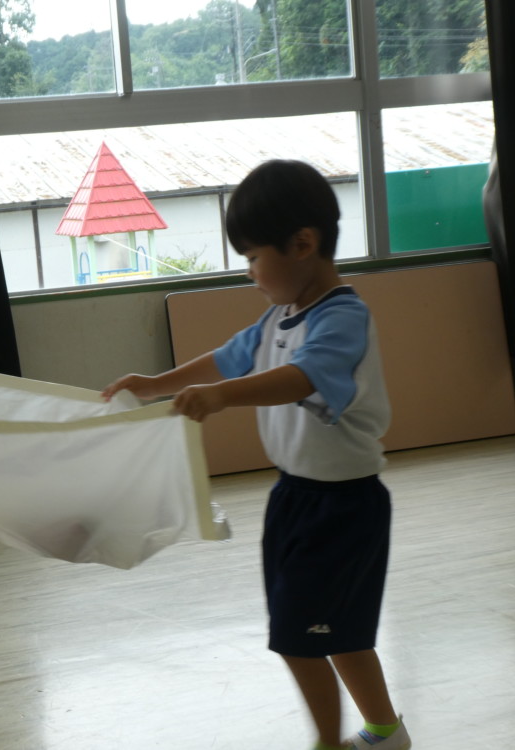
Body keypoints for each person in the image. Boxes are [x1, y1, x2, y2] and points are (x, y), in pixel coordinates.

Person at [102, 160, 410, 750]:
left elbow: (302, 377)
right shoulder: (278, 317)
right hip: (294, 497)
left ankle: (331, 742)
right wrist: (154, 384)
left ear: (303, 244)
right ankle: (386, 733)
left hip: (344, 508)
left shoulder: (344, 317)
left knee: (302, 637)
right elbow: (229, 357)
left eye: (252, 257)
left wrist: (221, 398)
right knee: (328, 630)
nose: (250, 273)